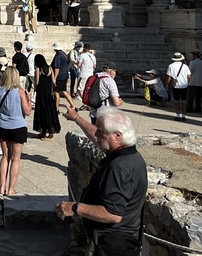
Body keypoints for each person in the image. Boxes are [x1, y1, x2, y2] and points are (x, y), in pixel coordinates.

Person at [56, 107, 148, 256]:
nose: (96, 135)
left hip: (111, 246)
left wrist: (73, 208)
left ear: (117, 136)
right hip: (117, 242)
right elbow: (97, 136)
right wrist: (77, 119)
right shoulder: (129, 155)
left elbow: (113, 214)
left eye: (101, 131)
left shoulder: (119, 168)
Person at [0, 65, 31, 196]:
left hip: (2, 125)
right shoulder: (20, 92)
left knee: (5, 156)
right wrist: (29, 99)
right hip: (17, 126)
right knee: (16, 159)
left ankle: (1, 187)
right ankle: (11, 189)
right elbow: (27, 111)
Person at [32, 54, 60, 140]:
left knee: (41, 111)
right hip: (48, 92)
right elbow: (53, 81)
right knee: (49, 110)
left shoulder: (38, 69)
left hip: (41, 93)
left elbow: (36, 82)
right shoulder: (50, 68)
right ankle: (45, 131)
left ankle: (50, 134)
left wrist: (35, 89)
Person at [166, 52, 191, 122]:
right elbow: (189, 76)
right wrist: (187, 82)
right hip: (184, 85)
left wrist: (167, 85)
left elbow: (169, 77)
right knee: (184, 101)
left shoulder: (171, 66)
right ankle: (184, 116)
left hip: (175, 85)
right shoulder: (185, 66)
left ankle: (177, 115)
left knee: (176, 101)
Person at [51, 43, 77, 110]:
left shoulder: (58, 56)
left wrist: (54, 78)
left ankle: (56, 109)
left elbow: (57, 68)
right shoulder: (63, 54)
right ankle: (73, 105)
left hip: (59, 77)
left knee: (56, 92)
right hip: (64, 75)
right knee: (64, 91)